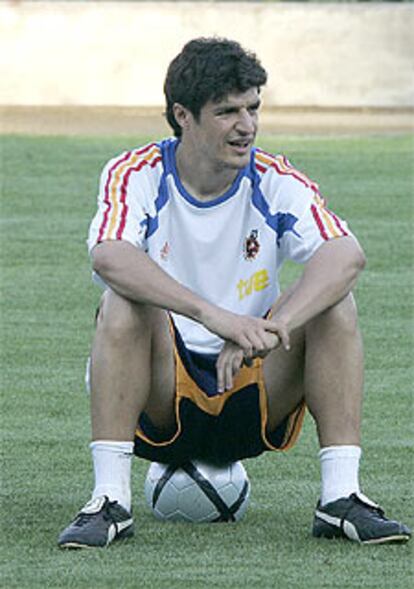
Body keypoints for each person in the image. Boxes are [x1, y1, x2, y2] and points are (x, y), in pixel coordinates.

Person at [58, 37, 411, 548]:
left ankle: (341, 499)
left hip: (253, 385)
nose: (246, 125)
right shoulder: (136, 173)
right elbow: (109, 255)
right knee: (123, 299)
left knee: (335, 302)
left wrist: (273, 326)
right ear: (183, 115)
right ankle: (109, 501)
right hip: (160, 394)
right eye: (227, 111)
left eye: (253, 108)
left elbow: (345, 255)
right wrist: (216, 316)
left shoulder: (273, 177)